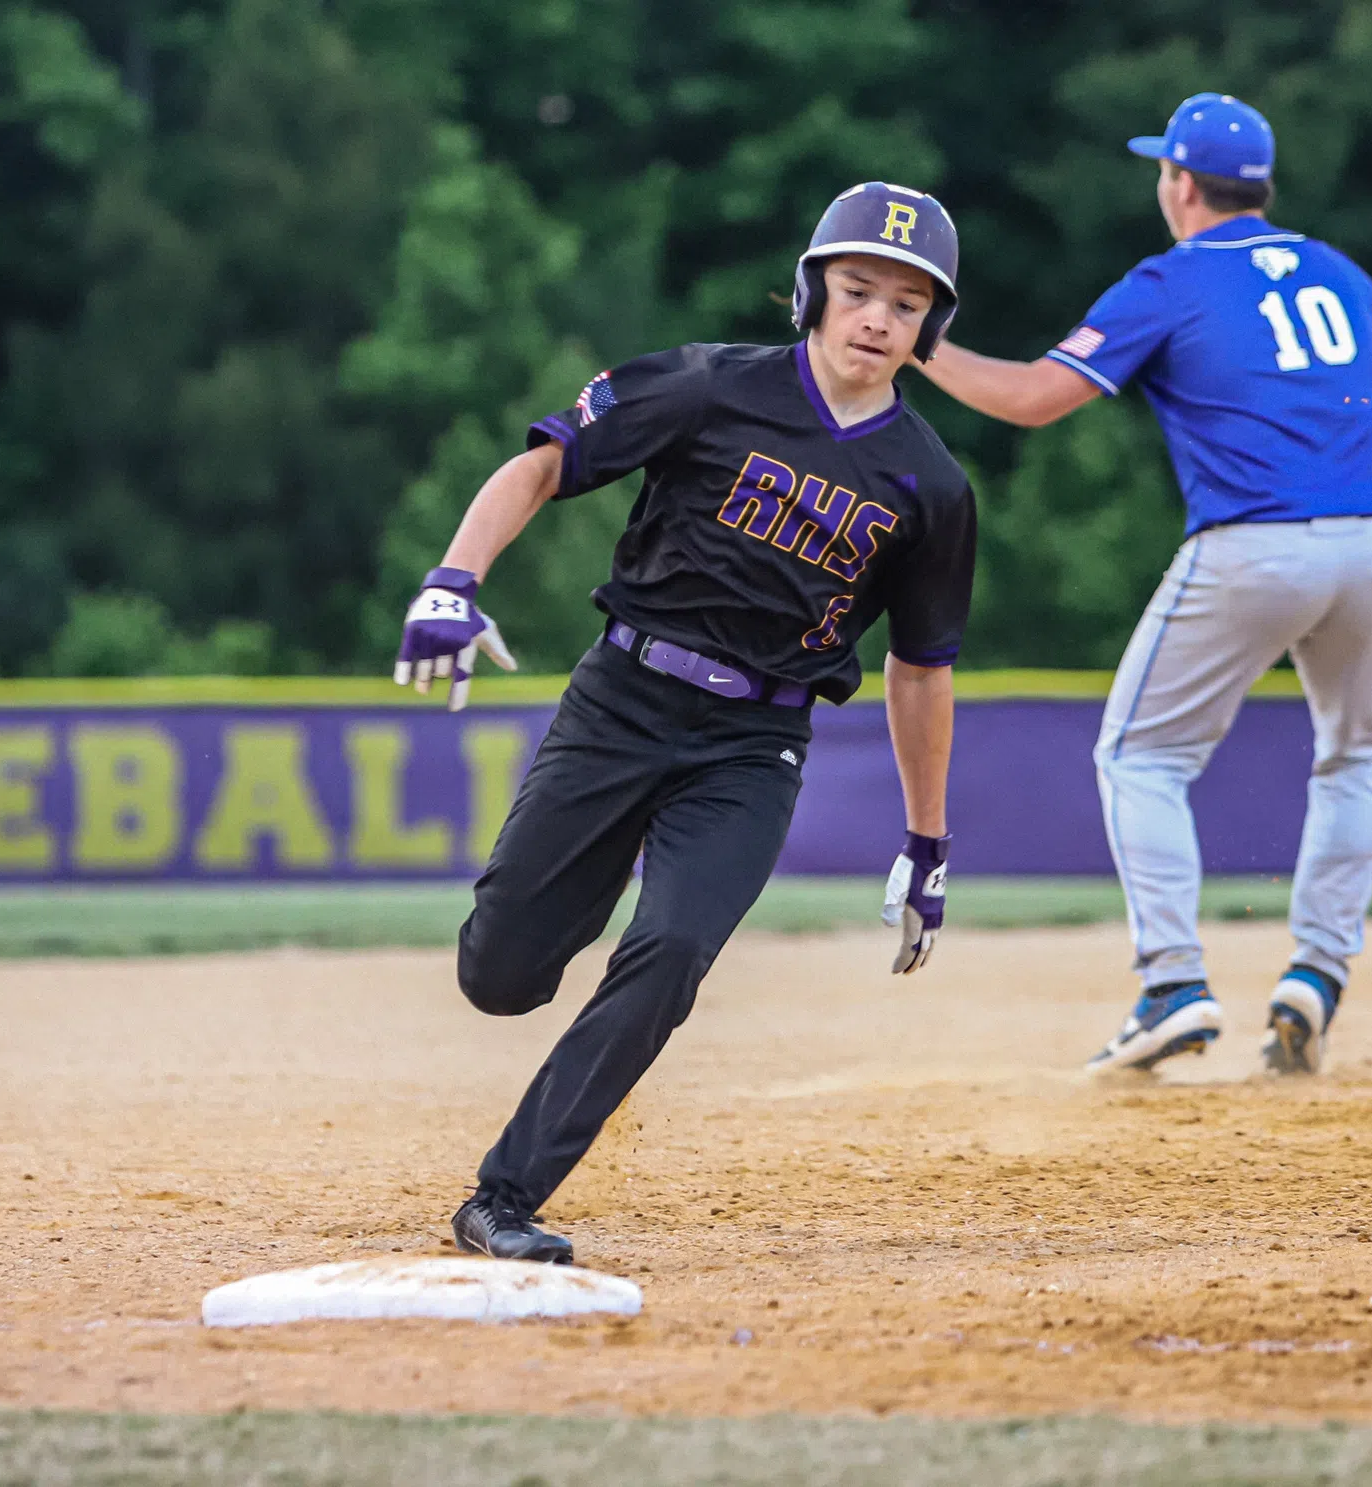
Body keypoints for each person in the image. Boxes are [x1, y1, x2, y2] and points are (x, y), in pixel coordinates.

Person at [391, 182, 979, 1262]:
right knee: (499, 975)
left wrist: (927, 840)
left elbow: (919, 669)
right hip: (624, 700)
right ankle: (574, 889)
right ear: (812, 292)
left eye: (906, 304)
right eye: (857, 290)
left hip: (753, 746)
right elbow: (543, 464)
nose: (876, 319)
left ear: (929, 328)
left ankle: (503, 1195)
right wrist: (452, 579)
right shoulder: (709, 385)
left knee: (670, 949)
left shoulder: (929, 485)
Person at [917, 93, 1372, 1077]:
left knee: (1139, 755)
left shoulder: (1168, 281)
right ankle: (1316, 973)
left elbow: (1031, 399)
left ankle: (1171, 981)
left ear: (1181, 184)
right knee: (1363, 755)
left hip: (1255, 541)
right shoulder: (1334, 266)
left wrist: (918, 345)